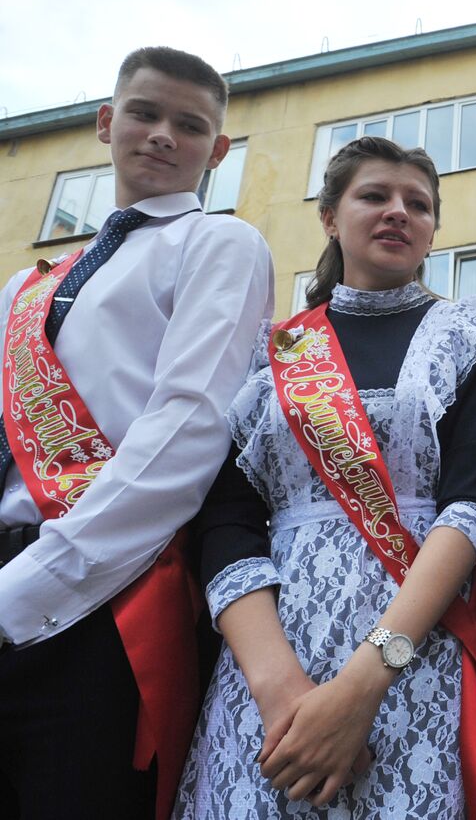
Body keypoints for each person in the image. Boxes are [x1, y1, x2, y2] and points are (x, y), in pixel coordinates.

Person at [174, 137, 476, 819]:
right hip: (269, 666)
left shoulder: (470, 332)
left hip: (414, 659)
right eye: (375, 195)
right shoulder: (270, 352)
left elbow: (470, 504)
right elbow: (226, 523)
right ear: (330, 217)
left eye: (419, 204)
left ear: (434, 231)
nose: (399, 211)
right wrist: (282, 693)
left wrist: (362, 686)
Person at [0, 47, 274, 820]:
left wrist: (27, 589)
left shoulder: (220, 244)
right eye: (146, 114)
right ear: (105, 122)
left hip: (106, 593)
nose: (162, 135)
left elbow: (189, 427)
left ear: (217, 152)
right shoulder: (27, 285)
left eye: (189, 126)